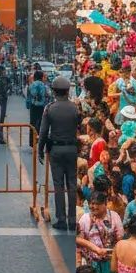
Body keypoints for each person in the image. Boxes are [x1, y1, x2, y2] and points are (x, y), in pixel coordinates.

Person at [37, 75, 82, 230]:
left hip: (56, 149)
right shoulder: (75, 107)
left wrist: (40, 150)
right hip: (72, 149)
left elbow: (43, 132)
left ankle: (61, 219)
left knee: (58, 185)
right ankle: (72, 220)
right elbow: (80, 126)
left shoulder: (49, 108)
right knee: (71, 185)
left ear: (54, 91)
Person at [26, 69, 49, 144]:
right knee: (40, 124)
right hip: (41, 107)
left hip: (33, 106)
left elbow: (28, 97)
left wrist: (28, 105)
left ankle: (32, 142)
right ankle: (38, 140)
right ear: (41, 77)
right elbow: (47, 95)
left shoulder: (31, 85)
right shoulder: (44, 85)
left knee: (32, 123)